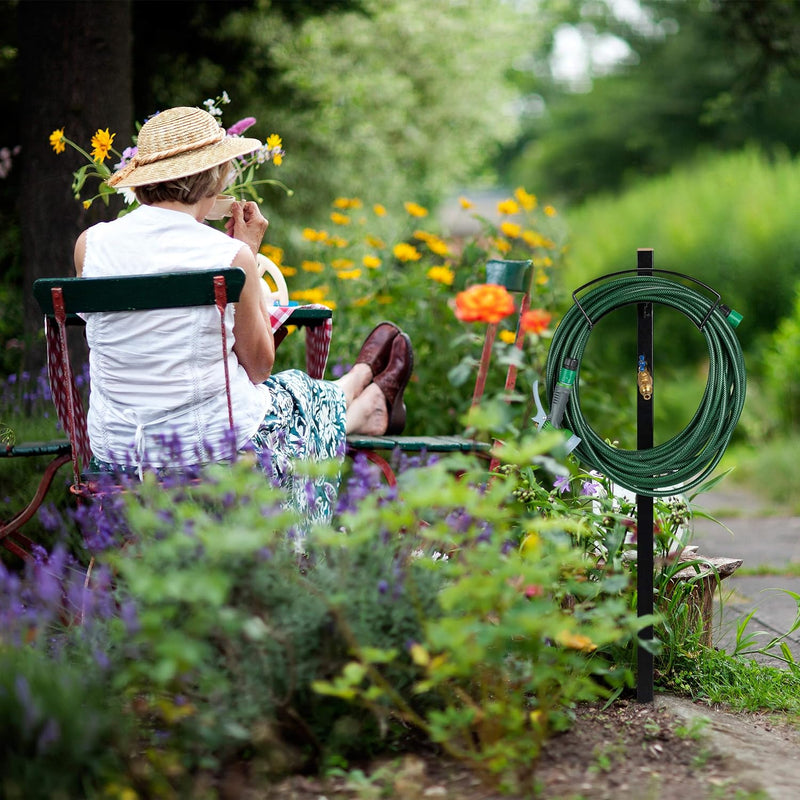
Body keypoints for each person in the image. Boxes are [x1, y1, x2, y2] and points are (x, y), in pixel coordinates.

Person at [73, 106, 413, 525]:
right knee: (296, 390)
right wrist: (246, 257)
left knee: (292, 394)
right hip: (209, 445)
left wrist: (239, 266)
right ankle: (359, 398)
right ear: (214, 178)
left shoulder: (90, 244)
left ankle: (361, 394)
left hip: (118, 448)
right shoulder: (228, 256)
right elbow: (257, 367)